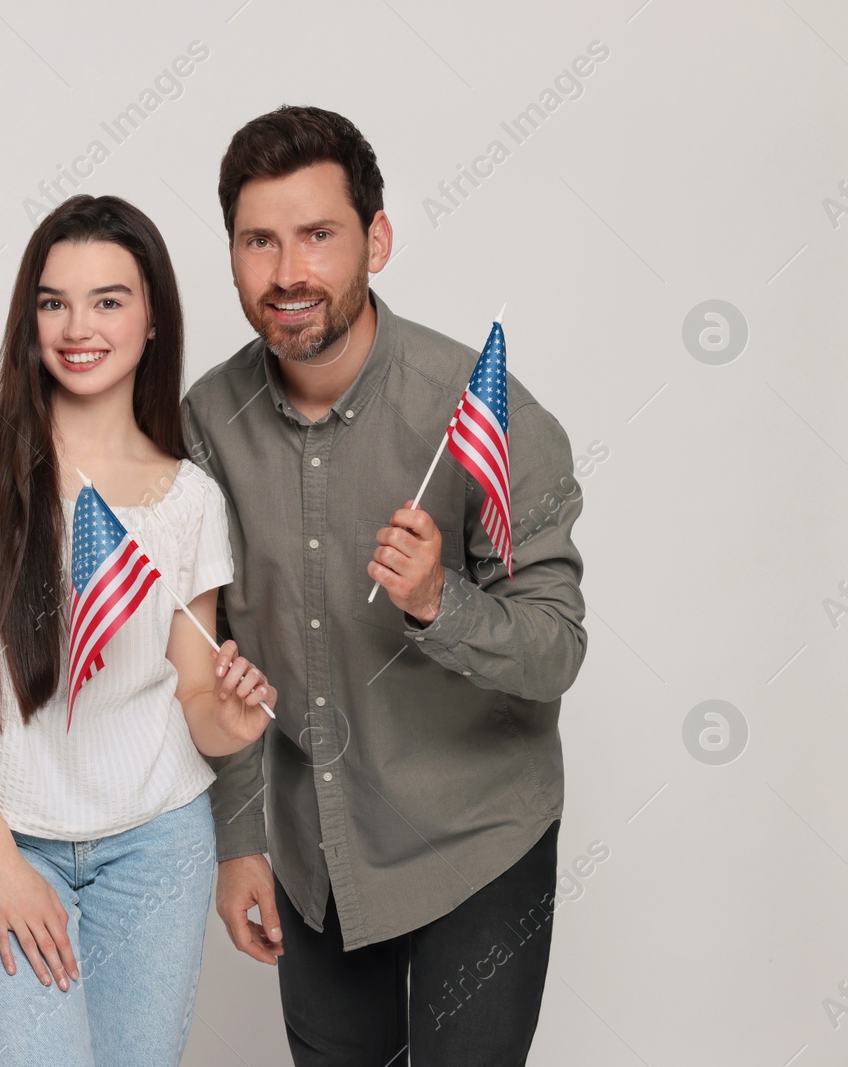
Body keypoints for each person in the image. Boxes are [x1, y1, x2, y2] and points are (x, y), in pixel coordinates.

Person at [183, 106, 588, 1066]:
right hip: (315, 847)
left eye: (319, 235)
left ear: (378, 239)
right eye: (260, 241)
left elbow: (556, 647)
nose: (288, 273)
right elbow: (216, 644)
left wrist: (439, 602)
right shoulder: (208, 417)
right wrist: (239, 837)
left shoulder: (487, 414)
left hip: (476, 833)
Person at [0, 194, 275, 1067]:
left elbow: (194, 699)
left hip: (157, 837)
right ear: (30, 318)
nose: (79, 325)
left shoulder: (189, 502)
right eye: (54, 300)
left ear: (150, 320)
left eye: (109, 300)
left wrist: (236, 718)